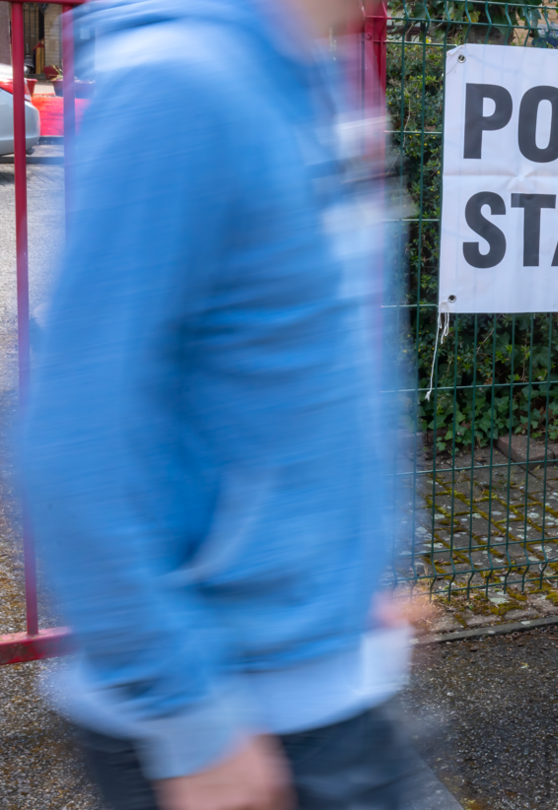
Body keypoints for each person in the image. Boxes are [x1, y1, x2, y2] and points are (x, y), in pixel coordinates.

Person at [19, 0, 415, 808]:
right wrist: (191, 723)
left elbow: (298, 366)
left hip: (320, 682)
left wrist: (346, 573)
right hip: (228, 728)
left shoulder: (309, 72)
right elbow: (71, 440)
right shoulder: (179, 87)